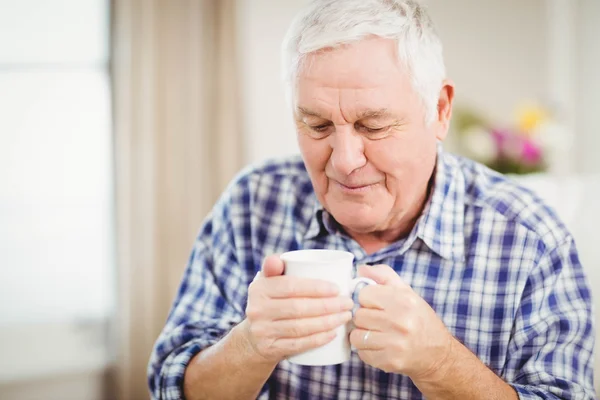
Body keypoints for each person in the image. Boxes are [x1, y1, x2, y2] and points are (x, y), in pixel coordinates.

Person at [148, 0, 595, 398]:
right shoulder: (251, 203)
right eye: (317, 125)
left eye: (374, 125)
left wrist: (441, 364)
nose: (344, 161)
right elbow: (170, 386)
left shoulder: (531, 238)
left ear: (439, 110)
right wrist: (249, 345)